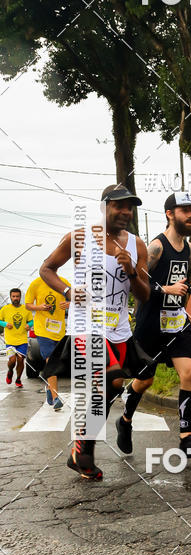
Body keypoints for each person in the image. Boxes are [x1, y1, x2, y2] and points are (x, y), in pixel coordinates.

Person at [40, 184, 150, 480]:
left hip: (119, 328)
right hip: (86, 325)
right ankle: (82, 448)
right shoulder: (79, 238)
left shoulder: (137, 246)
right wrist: (66, 289)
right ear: (104, 207)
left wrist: (131, 272)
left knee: (114, 386)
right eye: (119, 206)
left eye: (130, 207)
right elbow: (46, 268)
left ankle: (82, 452)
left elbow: (145, 294)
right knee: (113, 378)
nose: (125, 212)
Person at [115, 192, 191, 458]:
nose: (190, 216)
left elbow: (181, 280)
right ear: (170, 214)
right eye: (184, 211)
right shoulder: (155, 247)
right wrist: (165, 289)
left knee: (189, 373)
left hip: (176, 322)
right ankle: (125, 421)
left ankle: (186, 437)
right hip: (150, 324)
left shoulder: (188, 249)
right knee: (145, 380)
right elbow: (137, 286)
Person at [25, 274, 71, 410]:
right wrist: (39, 307)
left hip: (60, 330)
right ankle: (56, 397)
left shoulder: (64, 282)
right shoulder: (35, 283)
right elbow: (27, 305)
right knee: (51, 360)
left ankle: (49, 387)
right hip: (42, 329)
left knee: (58, 361)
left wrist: (70, 304)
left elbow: (76, 298)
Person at [0, 288, 33, 388]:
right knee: (12, 360)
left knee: (20, 359)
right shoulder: (5, 309)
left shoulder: (26, 309)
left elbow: (31, 321)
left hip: (22, 340)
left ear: (20, 297)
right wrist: (5, 324)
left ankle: (18, 379)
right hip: (10, 340)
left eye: (17, 296)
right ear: (10, 297)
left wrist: (29, 325)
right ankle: (10, 371)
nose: (15, 298)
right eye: (13, 296)